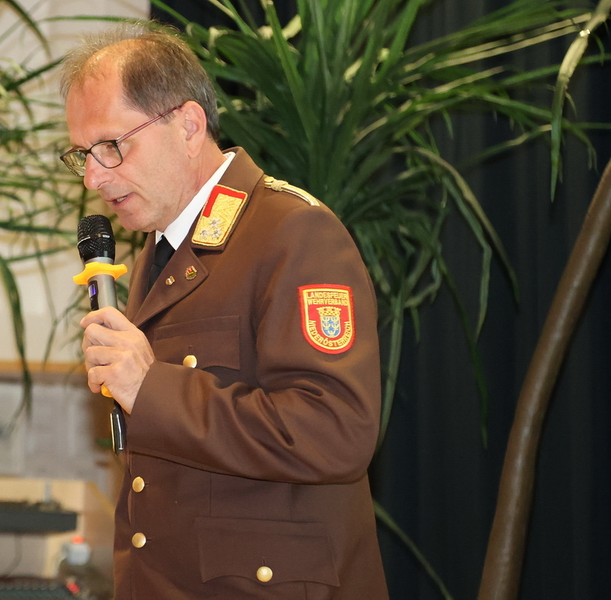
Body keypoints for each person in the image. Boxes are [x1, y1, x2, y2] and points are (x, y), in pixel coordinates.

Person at [59, 23, 389, 600]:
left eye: (112, 146)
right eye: (83, 155)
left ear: (188, 126)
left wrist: (151, 388)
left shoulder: (292, 231)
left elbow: (335, 431)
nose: (93, 177)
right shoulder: (158, 250)